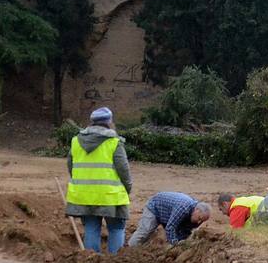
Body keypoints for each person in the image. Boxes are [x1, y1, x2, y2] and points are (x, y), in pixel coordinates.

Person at [64, 107, 131, 254]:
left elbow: (71, 166)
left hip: (84, 195)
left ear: (92, 122)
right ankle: (116, 261)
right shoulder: (114, 142)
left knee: (91, 227)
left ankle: (92, 260)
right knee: (116, 227)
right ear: (109, 122)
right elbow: (124, 170)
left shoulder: (76, 141)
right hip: (110, 196)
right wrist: (127, 188)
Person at [130, 191, 210, 246]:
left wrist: (182, 242)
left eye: (202, 221)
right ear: (196, 210)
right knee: (145, 231)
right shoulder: (183, 207)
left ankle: (143, 248)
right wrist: (175, 243)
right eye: (199, 218)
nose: (198, 222)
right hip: (155, 207)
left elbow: (185, 232)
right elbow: (170, 227)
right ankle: (128, 251)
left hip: (167, 215)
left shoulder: (197, 216)